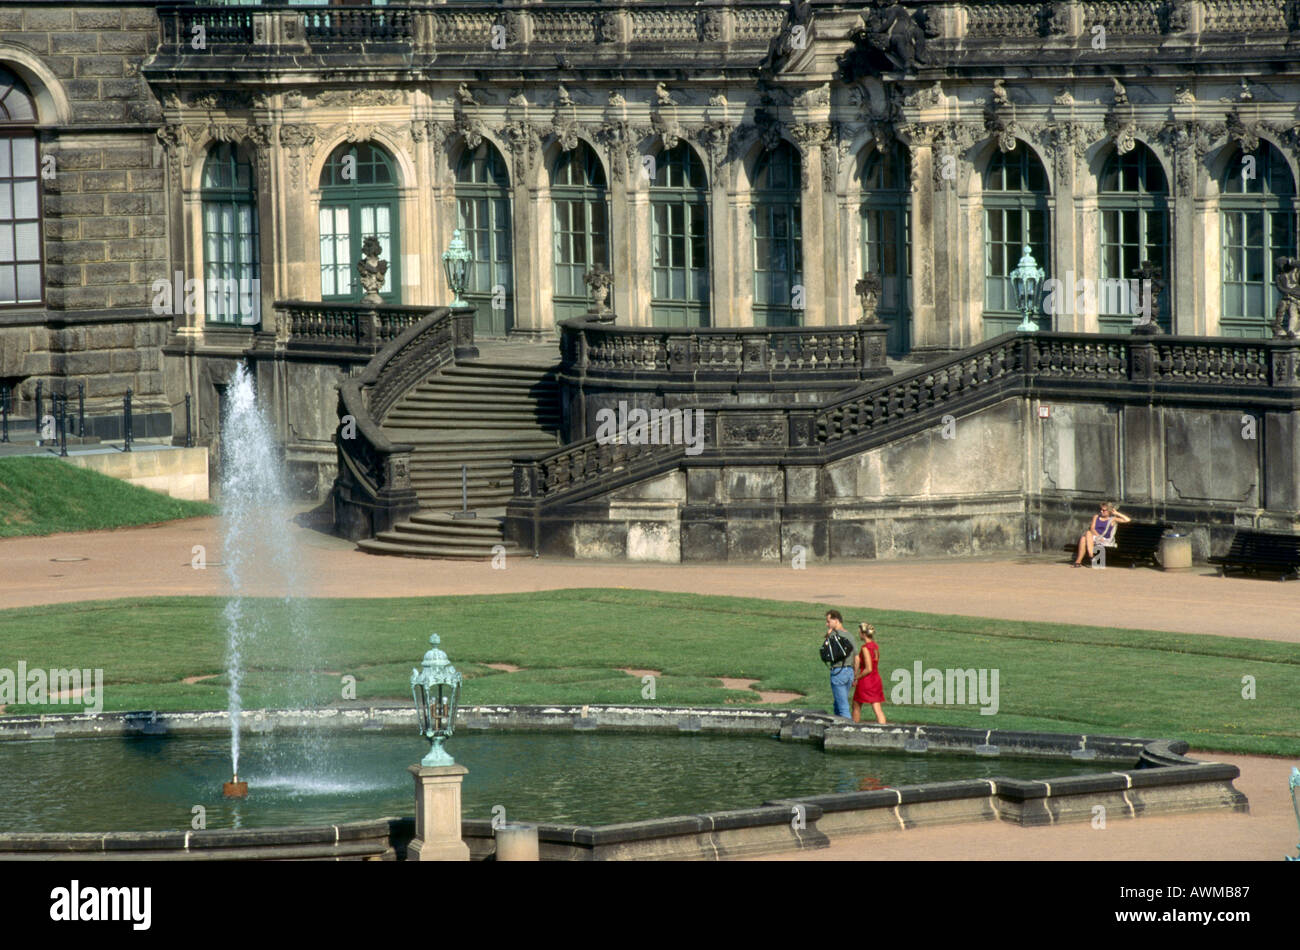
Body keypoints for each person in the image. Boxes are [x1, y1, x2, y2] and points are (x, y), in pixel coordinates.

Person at [1073, 501, 1131, 567]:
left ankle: (1080, 561)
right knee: (1087, 534)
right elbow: (1092, 528)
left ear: (1109, 511)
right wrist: (1098, 537)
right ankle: (1090, 556)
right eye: (1101, 509)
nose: (1101, 511)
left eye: (1104, 510)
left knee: (1084, 537)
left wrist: (1116, 513)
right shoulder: (1096, 517)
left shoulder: (1112, 519)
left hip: (1105, 540)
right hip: (1095, 537)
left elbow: (1127, 520)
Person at [851, 622, 887, 724]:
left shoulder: (865, 648)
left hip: (866, 680)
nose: (859, 634)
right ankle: (884, 729)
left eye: (860, 632)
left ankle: (853, 728)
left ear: (863, 634)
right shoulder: (875, 646)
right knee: (877, 708)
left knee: (856, 705)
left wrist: (857, 677)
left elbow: (868, 668)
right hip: (876, 679)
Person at [823, 610, 856, 718]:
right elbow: (857, 657)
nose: (827, 624)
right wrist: (855, 675)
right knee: (838, 704)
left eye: (828, 621)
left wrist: (828, 636)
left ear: (836, 620)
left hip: (838, 672)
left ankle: (847, 730)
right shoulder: (850, 635)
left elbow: (826, 652)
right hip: (849, 672)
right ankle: (837, 726)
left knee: (843, 707)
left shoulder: (833, 635)